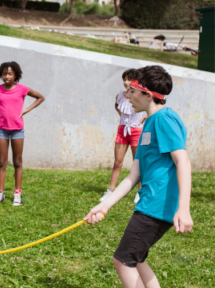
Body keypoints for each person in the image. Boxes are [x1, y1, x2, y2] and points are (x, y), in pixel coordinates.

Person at [83, 65, 194, 288]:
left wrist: (184, 209)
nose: (128, 95)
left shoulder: (164, 119)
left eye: (132, 91)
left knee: (123, 260)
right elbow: (134, 175)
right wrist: (104, 205)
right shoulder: (148, 124)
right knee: (137, 259)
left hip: (156, 205)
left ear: (148, 95)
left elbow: (183, 160)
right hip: (149, 203)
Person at [0, 61, 45, 206]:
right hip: (2, 129)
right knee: (2, 162)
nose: (6, 76)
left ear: (16, 75)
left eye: (9, 73)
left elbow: (40, 97)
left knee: (17, 162)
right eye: (4, 74)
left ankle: (17, 193)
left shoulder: (22, 89)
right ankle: (0, 194)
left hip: (17, 130)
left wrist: (26, 110)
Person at [100, 68, 147, 203]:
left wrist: (143, 118)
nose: (126, 82)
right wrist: (122, 118)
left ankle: (140, 192)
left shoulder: (140, 95)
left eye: (129, 79)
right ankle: (110, 190)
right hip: (122, 130)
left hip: (136, 131)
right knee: (117, 162)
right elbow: (117, 106)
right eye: (124, 79)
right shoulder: (119, 95)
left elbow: (152, 107)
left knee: (138, 163)